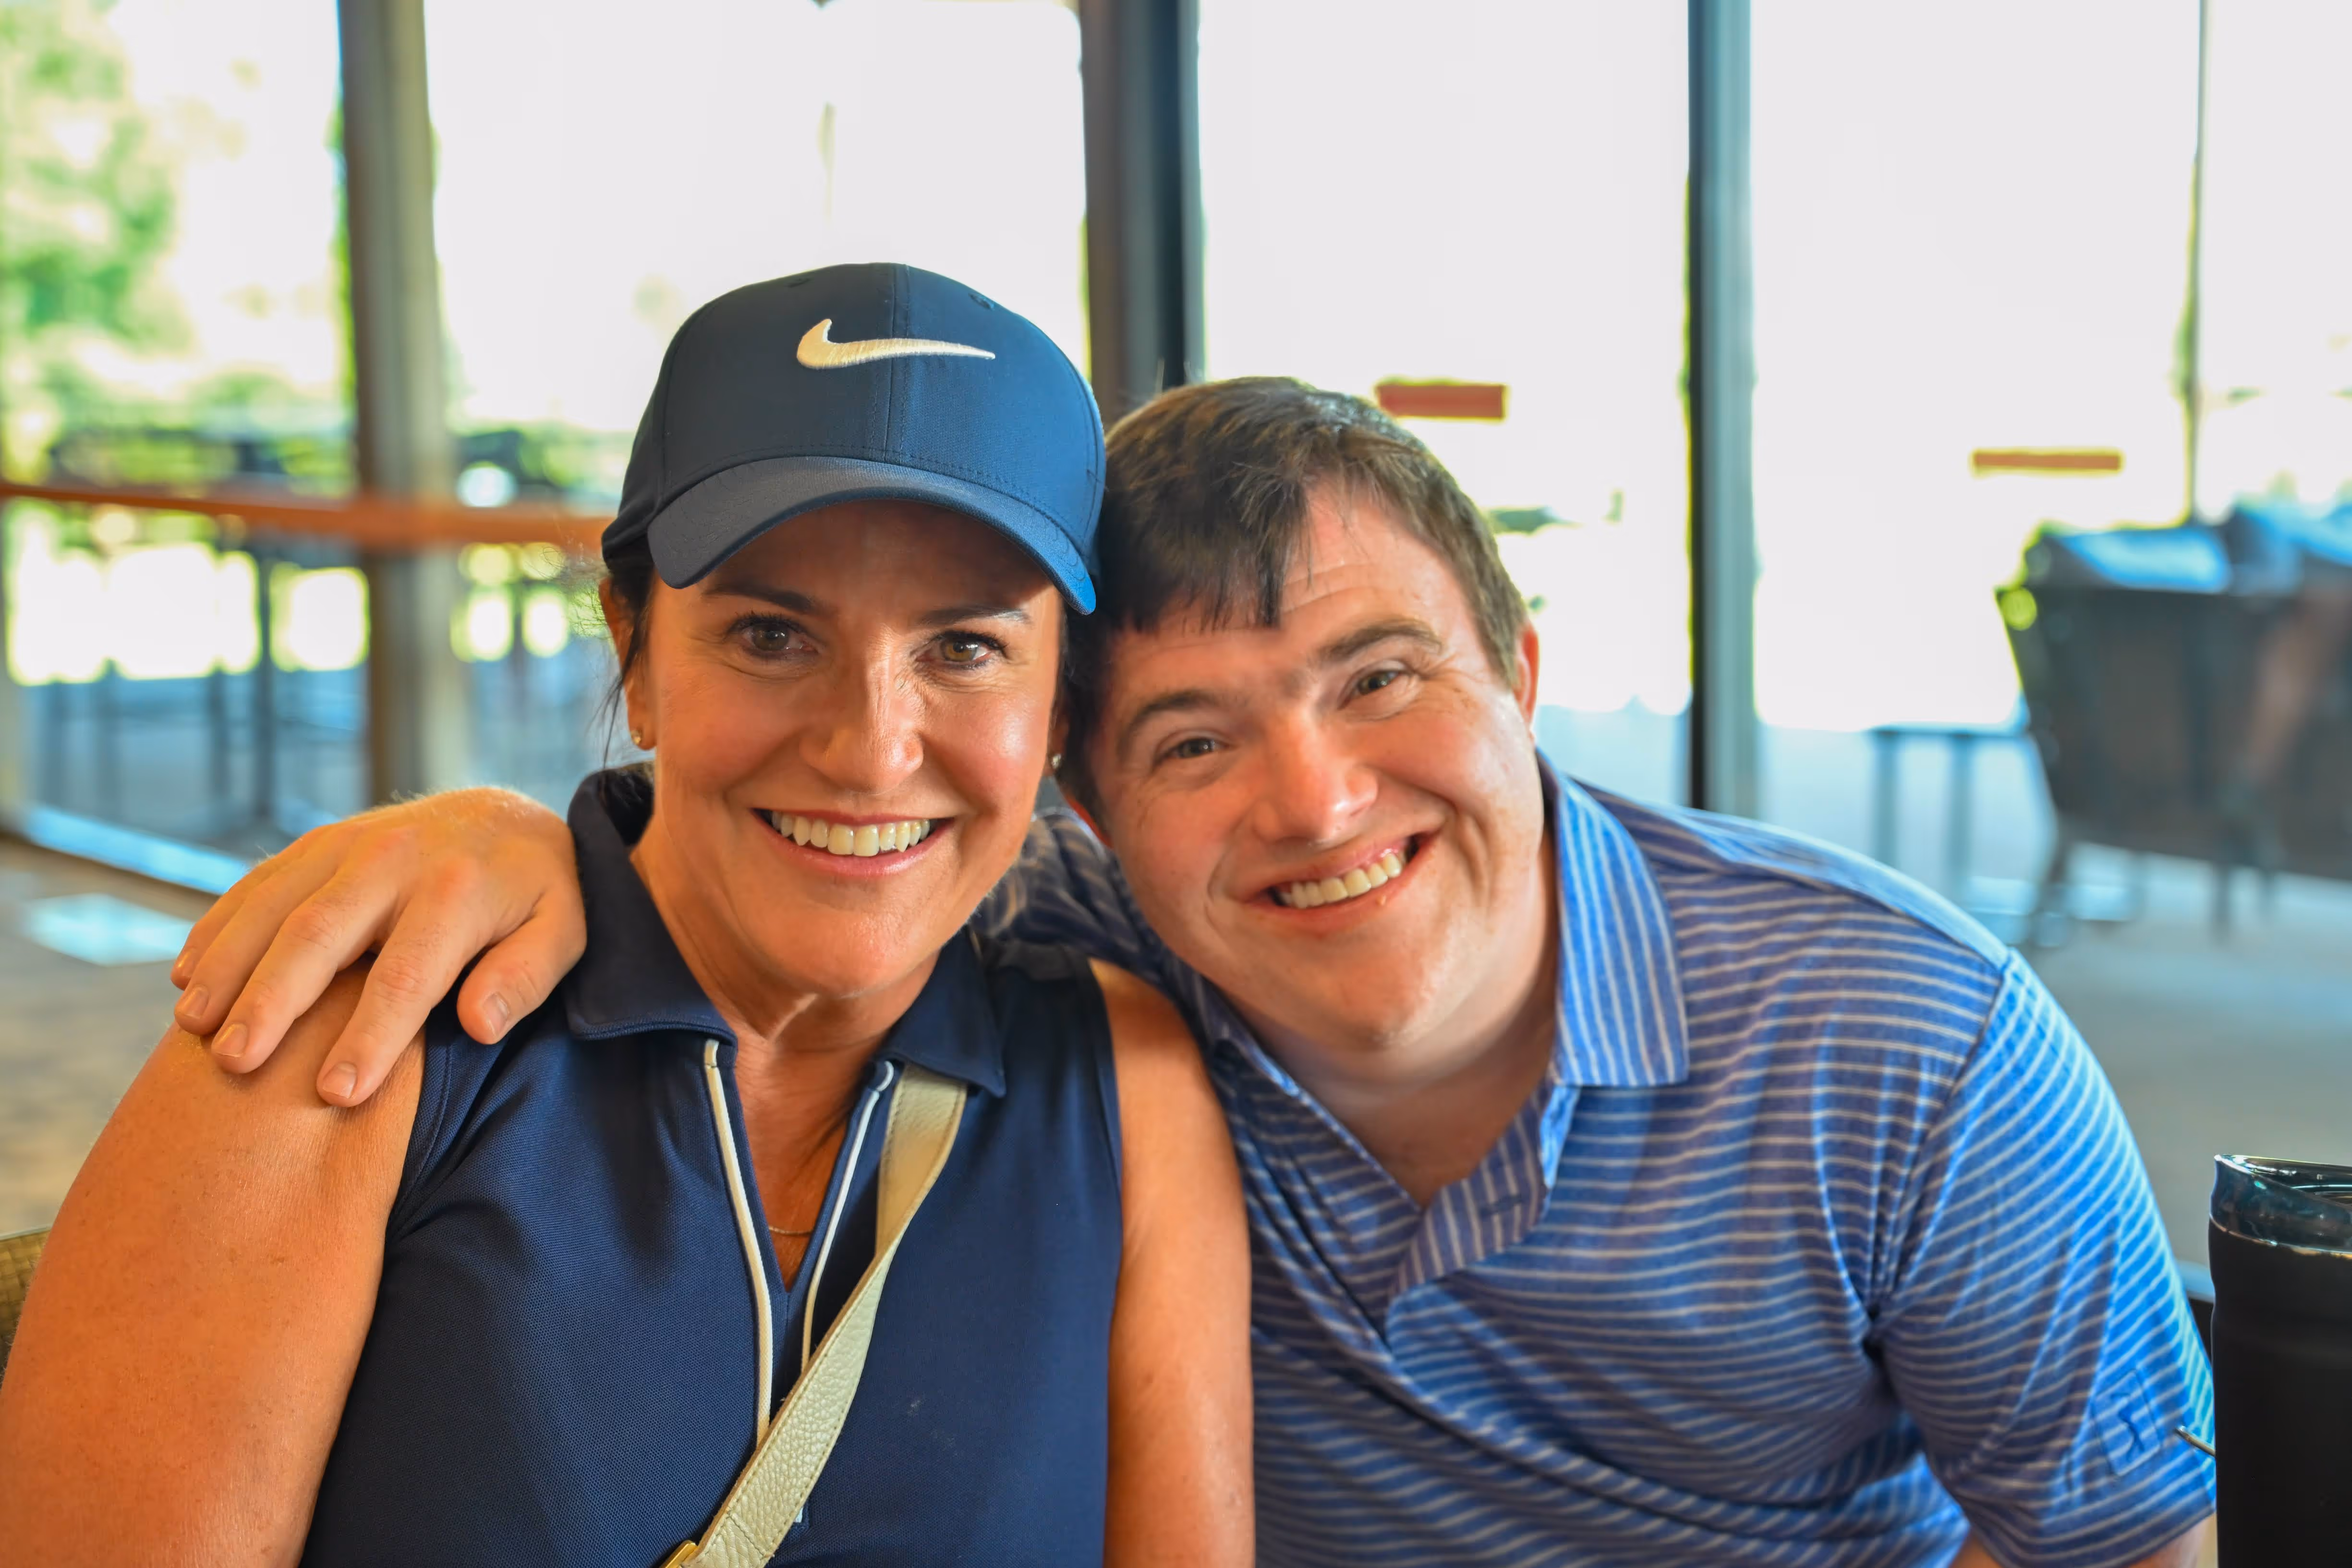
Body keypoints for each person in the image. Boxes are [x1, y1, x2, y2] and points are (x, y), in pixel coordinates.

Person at [161, 377, 2212, 1567]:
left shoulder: (1905, 1047)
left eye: (1378, 680)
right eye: (1195, 741)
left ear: (1517, 672)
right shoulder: (1081, 970)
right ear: (1092, 811)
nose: (1316, 806)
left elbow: (2141, 1549)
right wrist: (504, 836)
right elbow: (819, 824)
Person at [0, 266, 1252, 1566]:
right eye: (772, 635)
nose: (871, 750)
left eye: (966, 646)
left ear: (1058, 712)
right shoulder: (365, 1022)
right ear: (633, 655)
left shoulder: (1124, 1089)